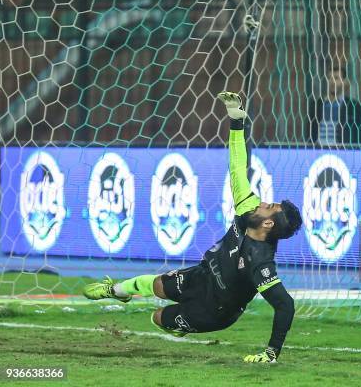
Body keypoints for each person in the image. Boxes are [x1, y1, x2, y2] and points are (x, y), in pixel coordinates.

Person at [83, 91, 303, 362]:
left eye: (269, 206)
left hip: (216, 310)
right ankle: (115, 292)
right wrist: (237, 123)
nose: (263, 202)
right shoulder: (248, 209)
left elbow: (286, 305)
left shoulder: (260, 262)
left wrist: (271, 353)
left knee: (158, 318)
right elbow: (237, 167)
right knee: (151, 284)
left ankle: (177, 326)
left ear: (268, 223)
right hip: (202, 276)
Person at [308, 64, 361, 145]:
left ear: (344, 82)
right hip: (318, 149)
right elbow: (309, 132)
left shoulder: (353, 107)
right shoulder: (317, 105)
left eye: (336, 78)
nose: (332, 81)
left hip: (342, 151)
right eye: (329, 78)